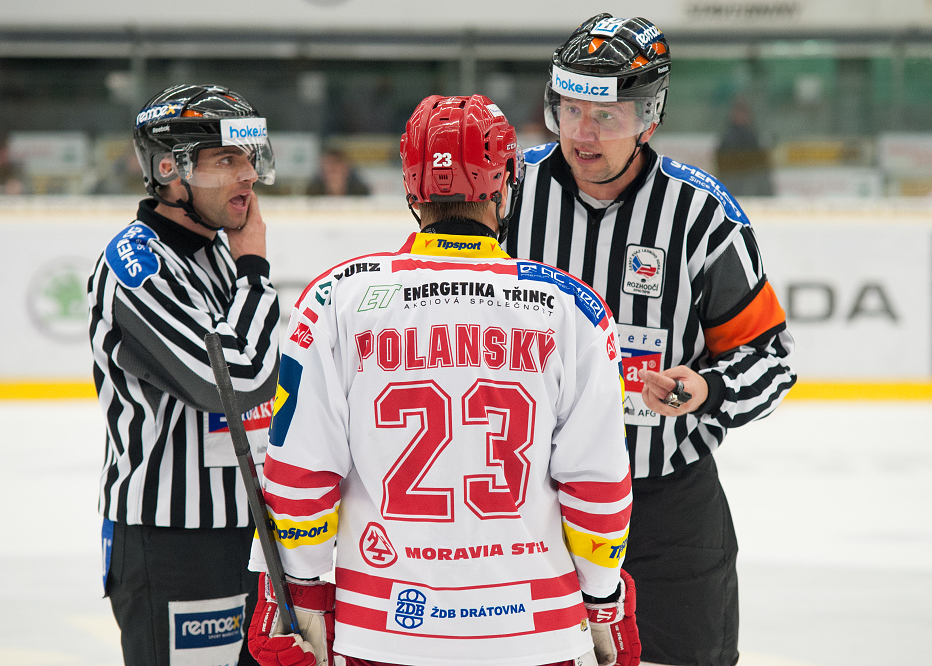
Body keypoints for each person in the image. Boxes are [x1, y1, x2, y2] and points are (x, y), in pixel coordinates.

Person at [246, 94, 640, 666]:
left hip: (382, 629)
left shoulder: (336, 297)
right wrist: (603, 599)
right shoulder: (572, 307)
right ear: (506, 184)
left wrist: (300, 593)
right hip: (537, 632)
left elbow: (300, 472)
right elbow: (597, 482)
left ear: (411, 189)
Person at [503, 15, 796, 666]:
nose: (581, 133)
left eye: (604, 115)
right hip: (529, 505)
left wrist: (708, 388)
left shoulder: (700, 215)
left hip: (666, 512)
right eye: (569, 110)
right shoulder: (509, 195)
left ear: (648, 117)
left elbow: (770, 362)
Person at [88, 84, 282, 666]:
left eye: (249, 157)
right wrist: (255, 272)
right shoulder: (136, 265)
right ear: (169, 170)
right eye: (226, 160)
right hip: (174, 542)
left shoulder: (217, 249)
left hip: (248, 533)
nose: (248, 175)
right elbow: (236, 381)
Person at [715, 96, 774, 197]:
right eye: (739, 113)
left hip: (751, 181)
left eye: (744, 113)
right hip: (733, 181)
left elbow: (761, 164)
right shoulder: (727, 137)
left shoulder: (754, 136)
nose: (741, 116)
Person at [305, 148, 371, 196]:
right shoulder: (313, 192)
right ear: (322, 172)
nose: (333, 176)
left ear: (346, 169)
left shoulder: (360, 192)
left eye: (335, 170)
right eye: (329, 170)